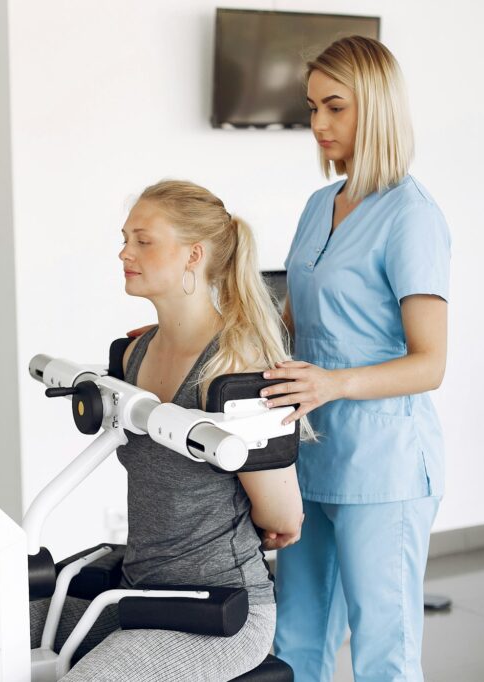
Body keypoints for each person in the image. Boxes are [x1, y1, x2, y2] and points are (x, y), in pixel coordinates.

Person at [30, 179, 310, 680]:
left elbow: (285, 516)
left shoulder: (234, 363)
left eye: (143, 240)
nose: (124, 252)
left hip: (218, 612)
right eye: (124, 238)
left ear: (193, 255)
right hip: (137, 594)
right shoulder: (135, 353)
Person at [263, 36, 451, 682]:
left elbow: (429, 364)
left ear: (375, 107)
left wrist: (334, 382)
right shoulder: (321, 206)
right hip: (311, 458)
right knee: (296, 641)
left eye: (334, 108)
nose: (317, 125)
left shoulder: (411, 217)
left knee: (383, 654)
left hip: (384, 467)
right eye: (312, 108)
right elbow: (287, 329)